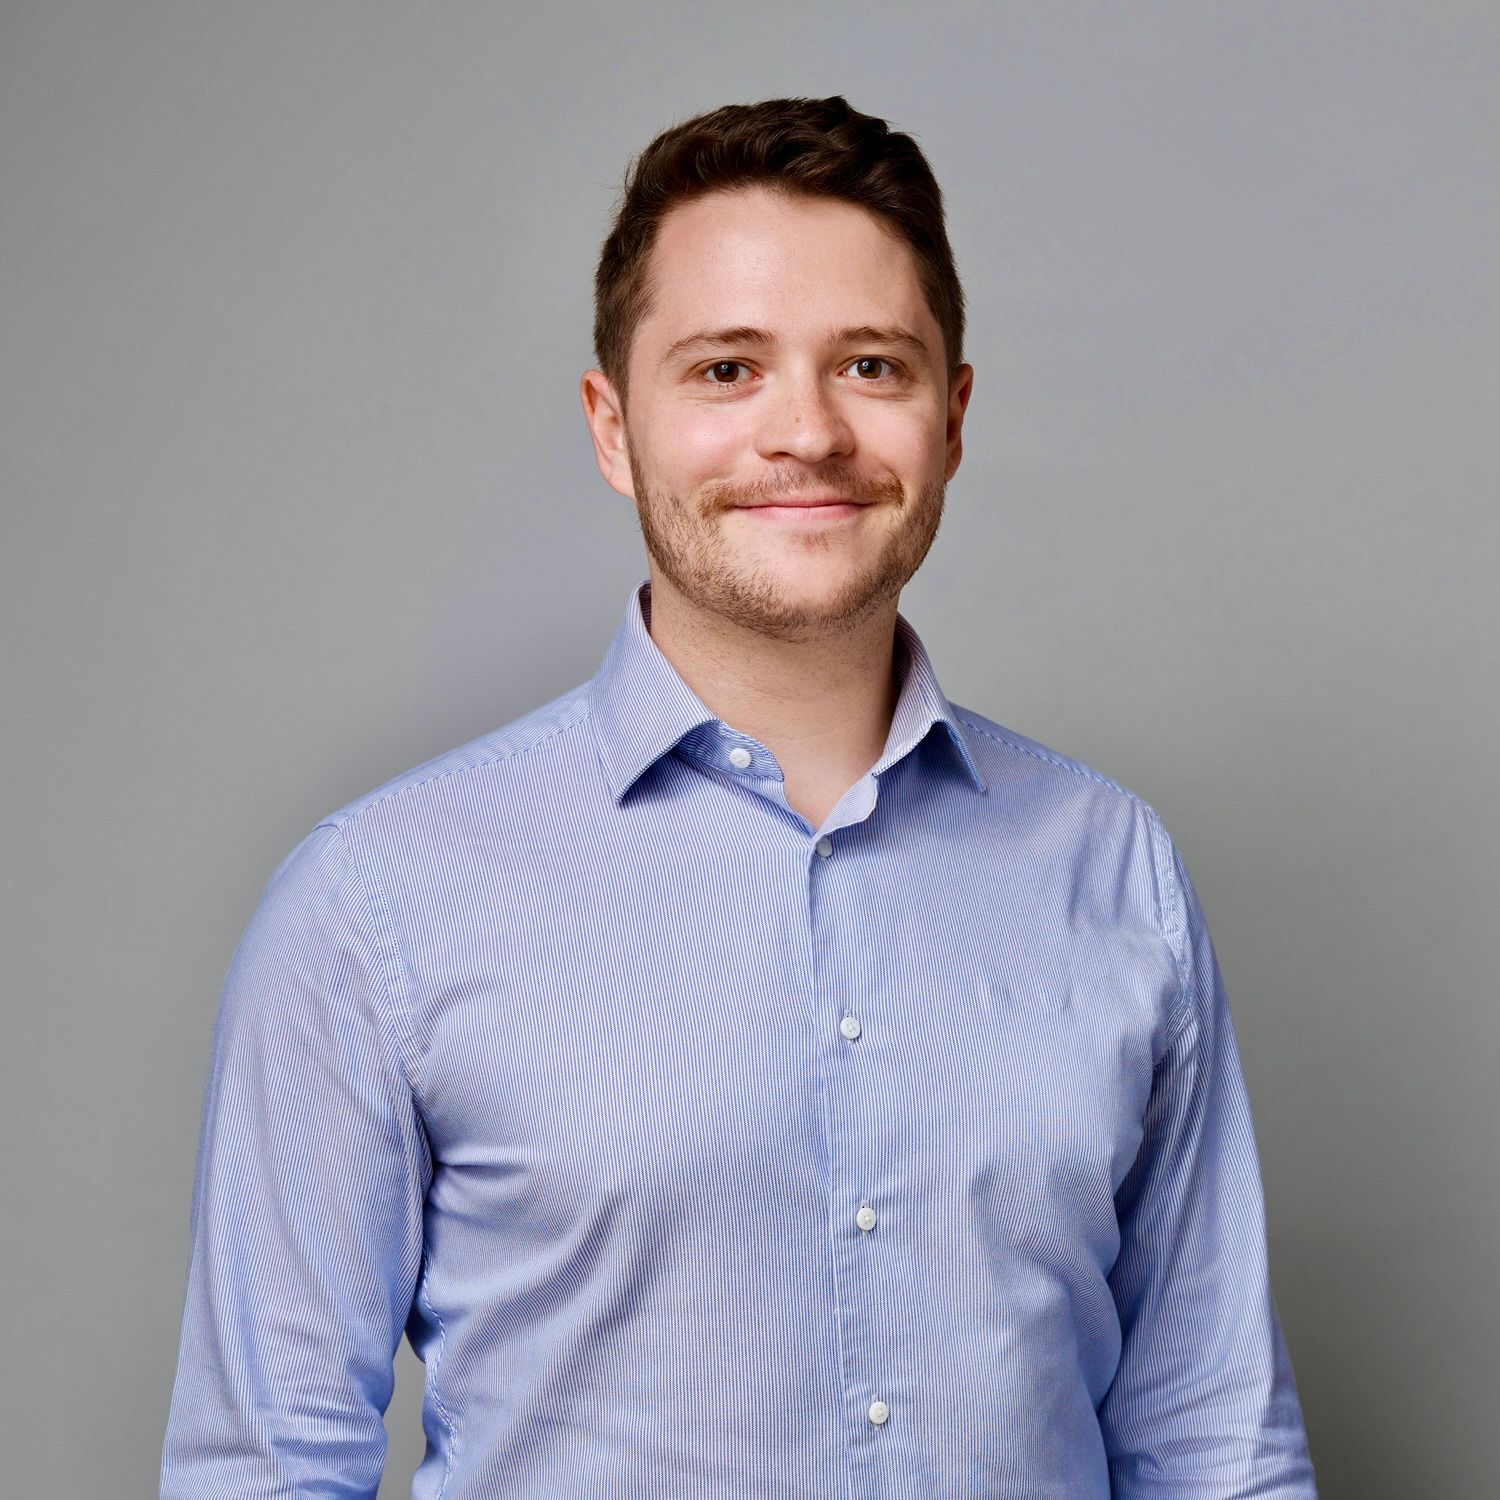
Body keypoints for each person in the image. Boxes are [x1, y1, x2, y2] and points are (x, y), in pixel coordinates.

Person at [159, 95, 1318, 1499]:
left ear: (950, 420)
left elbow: (1214, 1446)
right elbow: (267, 1469)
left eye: (871, 366)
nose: (807, 433)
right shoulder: (373, 903)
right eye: (725, 370)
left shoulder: (1113, 865)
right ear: (612, 425)